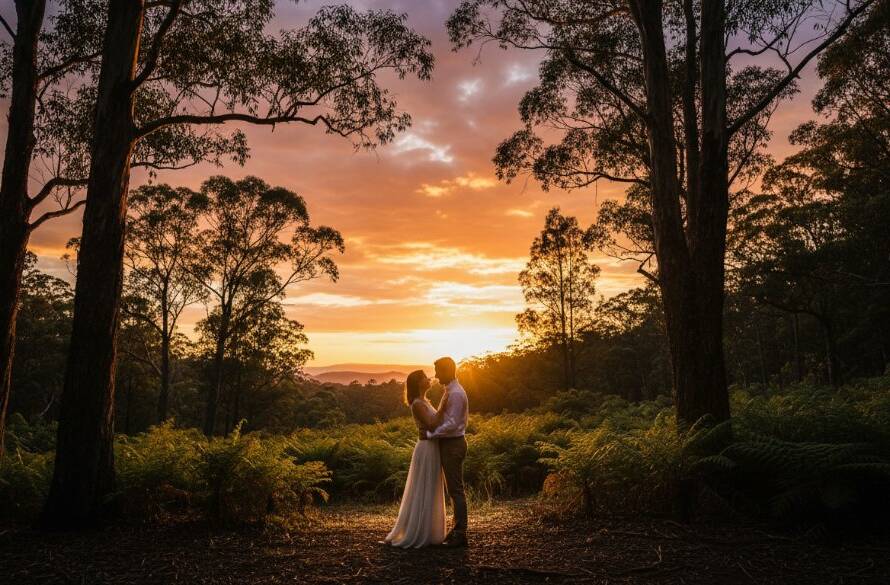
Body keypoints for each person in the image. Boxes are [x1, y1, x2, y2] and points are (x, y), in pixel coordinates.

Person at [384, 370, 446, 548]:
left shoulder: (425, 401)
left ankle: (429, 530)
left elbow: (433, 425)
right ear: (418, 383)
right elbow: (432, 424)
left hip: (431, 446)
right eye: (425, 377)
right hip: (426, 449)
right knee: (424, 487)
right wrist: (444, 406)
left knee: (430, 487)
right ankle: (419, 531)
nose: (429, 379)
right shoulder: (418, 404)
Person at [421, 357, 469, 548]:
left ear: (447, 370)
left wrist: (431, 434)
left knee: (456, 490)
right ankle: (456, 530)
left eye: (438, 371)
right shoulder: (451, 390)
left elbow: (452, 424)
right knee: (453, 490)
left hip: (453, 444)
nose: (436, 375)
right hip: (450, 444)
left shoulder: (455, 393)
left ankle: (460, 533)